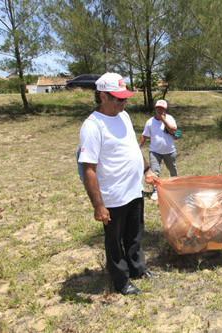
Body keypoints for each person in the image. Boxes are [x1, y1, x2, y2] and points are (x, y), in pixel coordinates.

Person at [78, 72, 159, 296]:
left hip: (133, 190)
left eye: (125, 98)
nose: (123, 102)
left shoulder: (123, 116)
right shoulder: (93, 126)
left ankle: (137, 269)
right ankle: (121, 282)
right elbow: (89, 169)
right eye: (118, 98)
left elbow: (132, 147)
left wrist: (147, 169)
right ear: (103, 96)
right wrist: (98, 206)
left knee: (134, 235)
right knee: (114, 241)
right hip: (113, 196)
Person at [139, 99, 178, 201]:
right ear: (155, 109)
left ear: (165, 109)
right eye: (158, 108)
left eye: (162, 109)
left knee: (172, 169)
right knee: (155, 171)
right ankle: (155, 191)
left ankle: (175, 187)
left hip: (169, 151)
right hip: (155, 151)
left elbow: (173, 131)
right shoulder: (150, 122)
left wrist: (163, 120)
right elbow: (145, 136)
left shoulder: (170, 118)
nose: (160, 111)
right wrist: (137, 147)